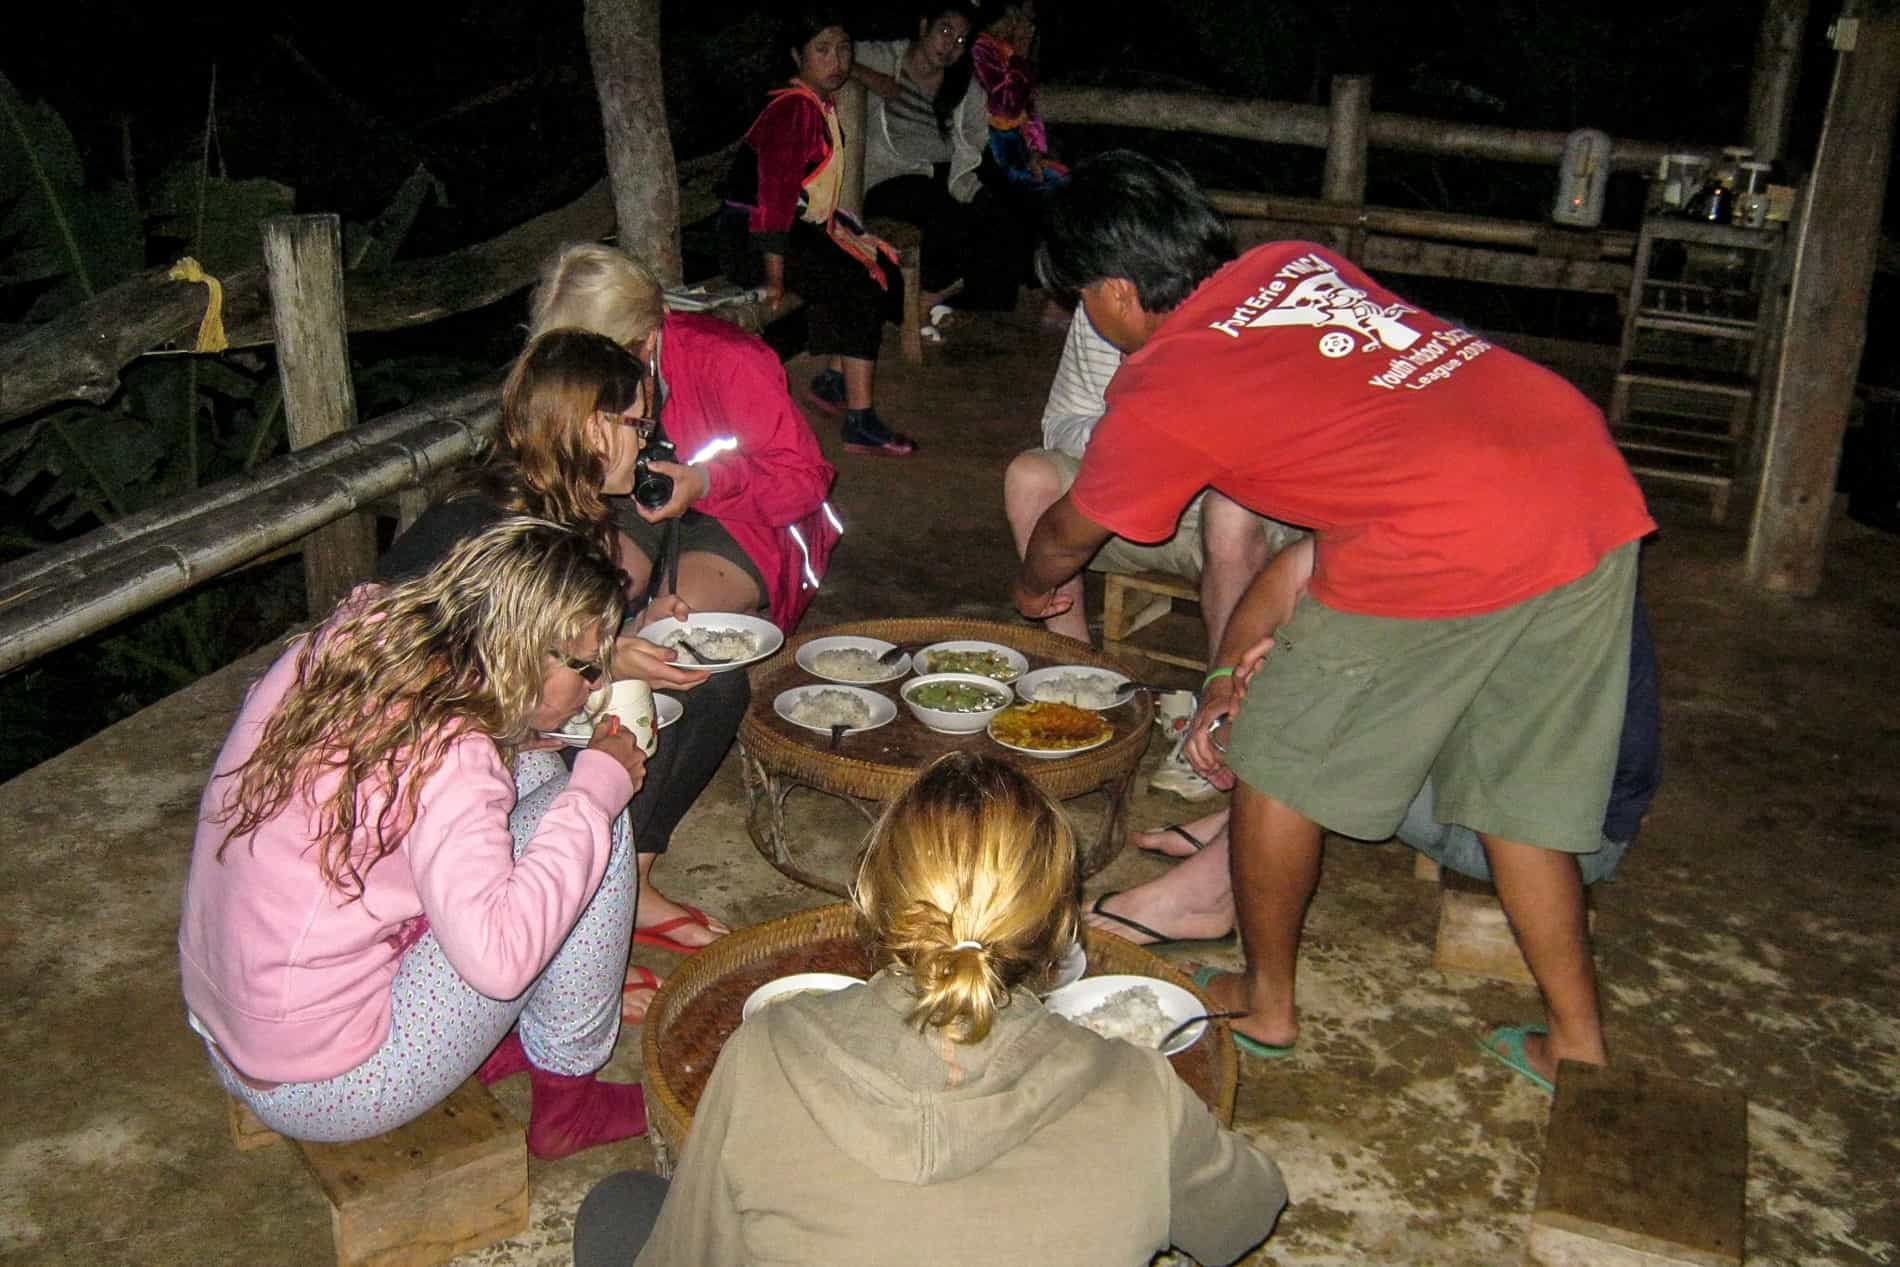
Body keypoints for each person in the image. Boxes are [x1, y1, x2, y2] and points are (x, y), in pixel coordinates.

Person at [1015, 152, 1656, 1092]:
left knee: (1276, 765)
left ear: (1114, 290)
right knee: (1520, 794)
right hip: (1582, 479)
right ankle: (1577, 1043)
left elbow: (1070, 531)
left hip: (1451, 527)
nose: (1084, 317)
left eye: (1080, 297)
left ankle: (1267, 1001)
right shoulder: (1290, 262)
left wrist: (1034, 587)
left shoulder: (1166, 384)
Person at [571, 753, 1287, 1267]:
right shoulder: (1138, 1090)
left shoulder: (766, 1052)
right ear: (1057, 931)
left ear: (873, 901)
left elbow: (688, 1254)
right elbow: (1241, 1218)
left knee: (619, 1208)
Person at [179, 517, 649, 1159]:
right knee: (594, 815)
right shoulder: (452, 751)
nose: (594, 686)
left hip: (234, 1028)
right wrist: (599, 787)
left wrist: (520, 741)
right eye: (588, 667)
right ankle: (570, 1098)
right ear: (527, 650)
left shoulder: (350, 640)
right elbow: (501, 959)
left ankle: (497, 1038)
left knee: (537, 769)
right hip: (325, 1084)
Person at [1088, 539, 1662, 1002]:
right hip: (1491, 790)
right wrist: (1221, 683)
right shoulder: (1502, 529)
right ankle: (1239, 832)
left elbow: (1366, 722)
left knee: (1297, 715)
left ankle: (1214, 911)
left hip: (1547, 839)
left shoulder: (1502, 570)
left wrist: (1263, 694)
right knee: (1301, 677)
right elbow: (1297, 566)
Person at [378, 330, 736, 1002]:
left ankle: (627, 884)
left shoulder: (573, 507)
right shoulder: (495, 529)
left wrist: (631, 635)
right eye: (636, 424)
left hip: (505, 715)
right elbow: (464, 692)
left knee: (709, 688)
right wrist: (607, 664)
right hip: (430, 762)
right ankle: (575, 955)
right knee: (622, 725)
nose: (647, 442)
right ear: (589, 427)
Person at [1004, 307, 1303, 801]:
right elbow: (1059, 424)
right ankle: (1082, 685)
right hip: (1134, 496)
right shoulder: (1098, 309)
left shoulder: (1239, 316)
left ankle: (1218, 717)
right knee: (1029, 476)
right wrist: (1124, 433)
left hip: (1237, 519)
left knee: (1231, 509)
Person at [526, 243, 842, 633]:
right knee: (582, 605)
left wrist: (707, 482)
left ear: (649, 337)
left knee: (676, 626)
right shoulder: (569, 380)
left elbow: (807, 480)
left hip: (745, 513)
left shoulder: (730, 361)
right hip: (636, 494)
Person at [721, 6, 916, 457]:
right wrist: (774, 277)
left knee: (876, 261)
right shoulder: (793, 111)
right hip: (752, 237)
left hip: (784, 230)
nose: (838, 61)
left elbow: (807, 200)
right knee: (858, 282)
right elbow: (772, 198)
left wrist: (849, 236)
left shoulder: (815, 105)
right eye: (823, 50)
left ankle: (832, 380)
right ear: (797, 56)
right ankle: (860, 420)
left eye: (844, 49)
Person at [855, 3, 1032, 319]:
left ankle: (944, 298)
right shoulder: (885, 59)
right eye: (946, 31)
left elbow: (979, 140)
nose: (950, 45)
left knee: (1004, 215)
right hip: (889, 180)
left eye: (962, 41)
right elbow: (834, 58)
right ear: (924, 27)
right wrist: (873, 79)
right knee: (941, 218)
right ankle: (924, 299)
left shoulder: (964, 86)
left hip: (944, 179)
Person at [969, 1, 1067, 193]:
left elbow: (1027, 107)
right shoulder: (981, 48)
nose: (1015, 24)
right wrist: (1021, 55)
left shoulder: (1005, 49)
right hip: (993, 147)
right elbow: (1006, 106)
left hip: (1017, 145)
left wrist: (1037, 150)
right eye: (1012, 17)